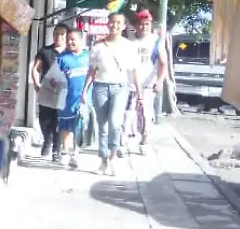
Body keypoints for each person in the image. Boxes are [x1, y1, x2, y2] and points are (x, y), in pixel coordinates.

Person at [81, 13, 140, 174]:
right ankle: (103, 159)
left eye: (119, 23)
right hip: (100, 86)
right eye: (112, 22)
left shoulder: (130, 46)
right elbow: (92, 71)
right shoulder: (98, 46)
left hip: (120, 87)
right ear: (108, 24)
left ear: (123, 26)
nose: (115, 25)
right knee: (103, 125)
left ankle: (113, 157)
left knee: (115, 123)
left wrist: (139, 93)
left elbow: (134, 71)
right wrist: (84, 90)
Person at [31, 23, 69, 161]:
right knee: (44, 120)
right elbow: (36, 68)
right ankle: (47, 140)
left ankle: (56, 150)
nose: (58, 36)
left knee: (59, 120)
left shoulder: (69, 53)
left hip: (63, 93)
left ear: (66, 36)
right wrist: (37, 83)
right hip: (46, 91)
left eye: (62, 34)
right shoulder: (45, 51)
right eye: (56, 33)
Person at [130, 10, 166, 152]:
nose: (144, 26)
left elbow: (163, 63)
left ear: (150, 25)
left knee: (145, 113)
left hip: (147, 84)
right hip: (130, 83)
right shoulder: (130, 40)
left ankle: (144, 141)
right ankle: (125, 141)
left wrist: (160, 80)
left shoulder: (156, 42)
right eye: (141, 24)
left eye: (147, 24)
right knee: (128, 113)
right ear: (137, 25)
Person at [55, 28, 89, 171]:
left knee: (79, 126)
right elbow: (54, 78)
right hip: (66, 99)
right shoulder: (62, 58)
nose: (69, 42)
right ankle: (65, 151)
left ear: (81, 40)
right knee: (65, 126)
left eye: (73, 39)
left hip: (83, 98)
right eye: (68, 39)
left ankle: (76, 152)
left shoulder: (89, 56)